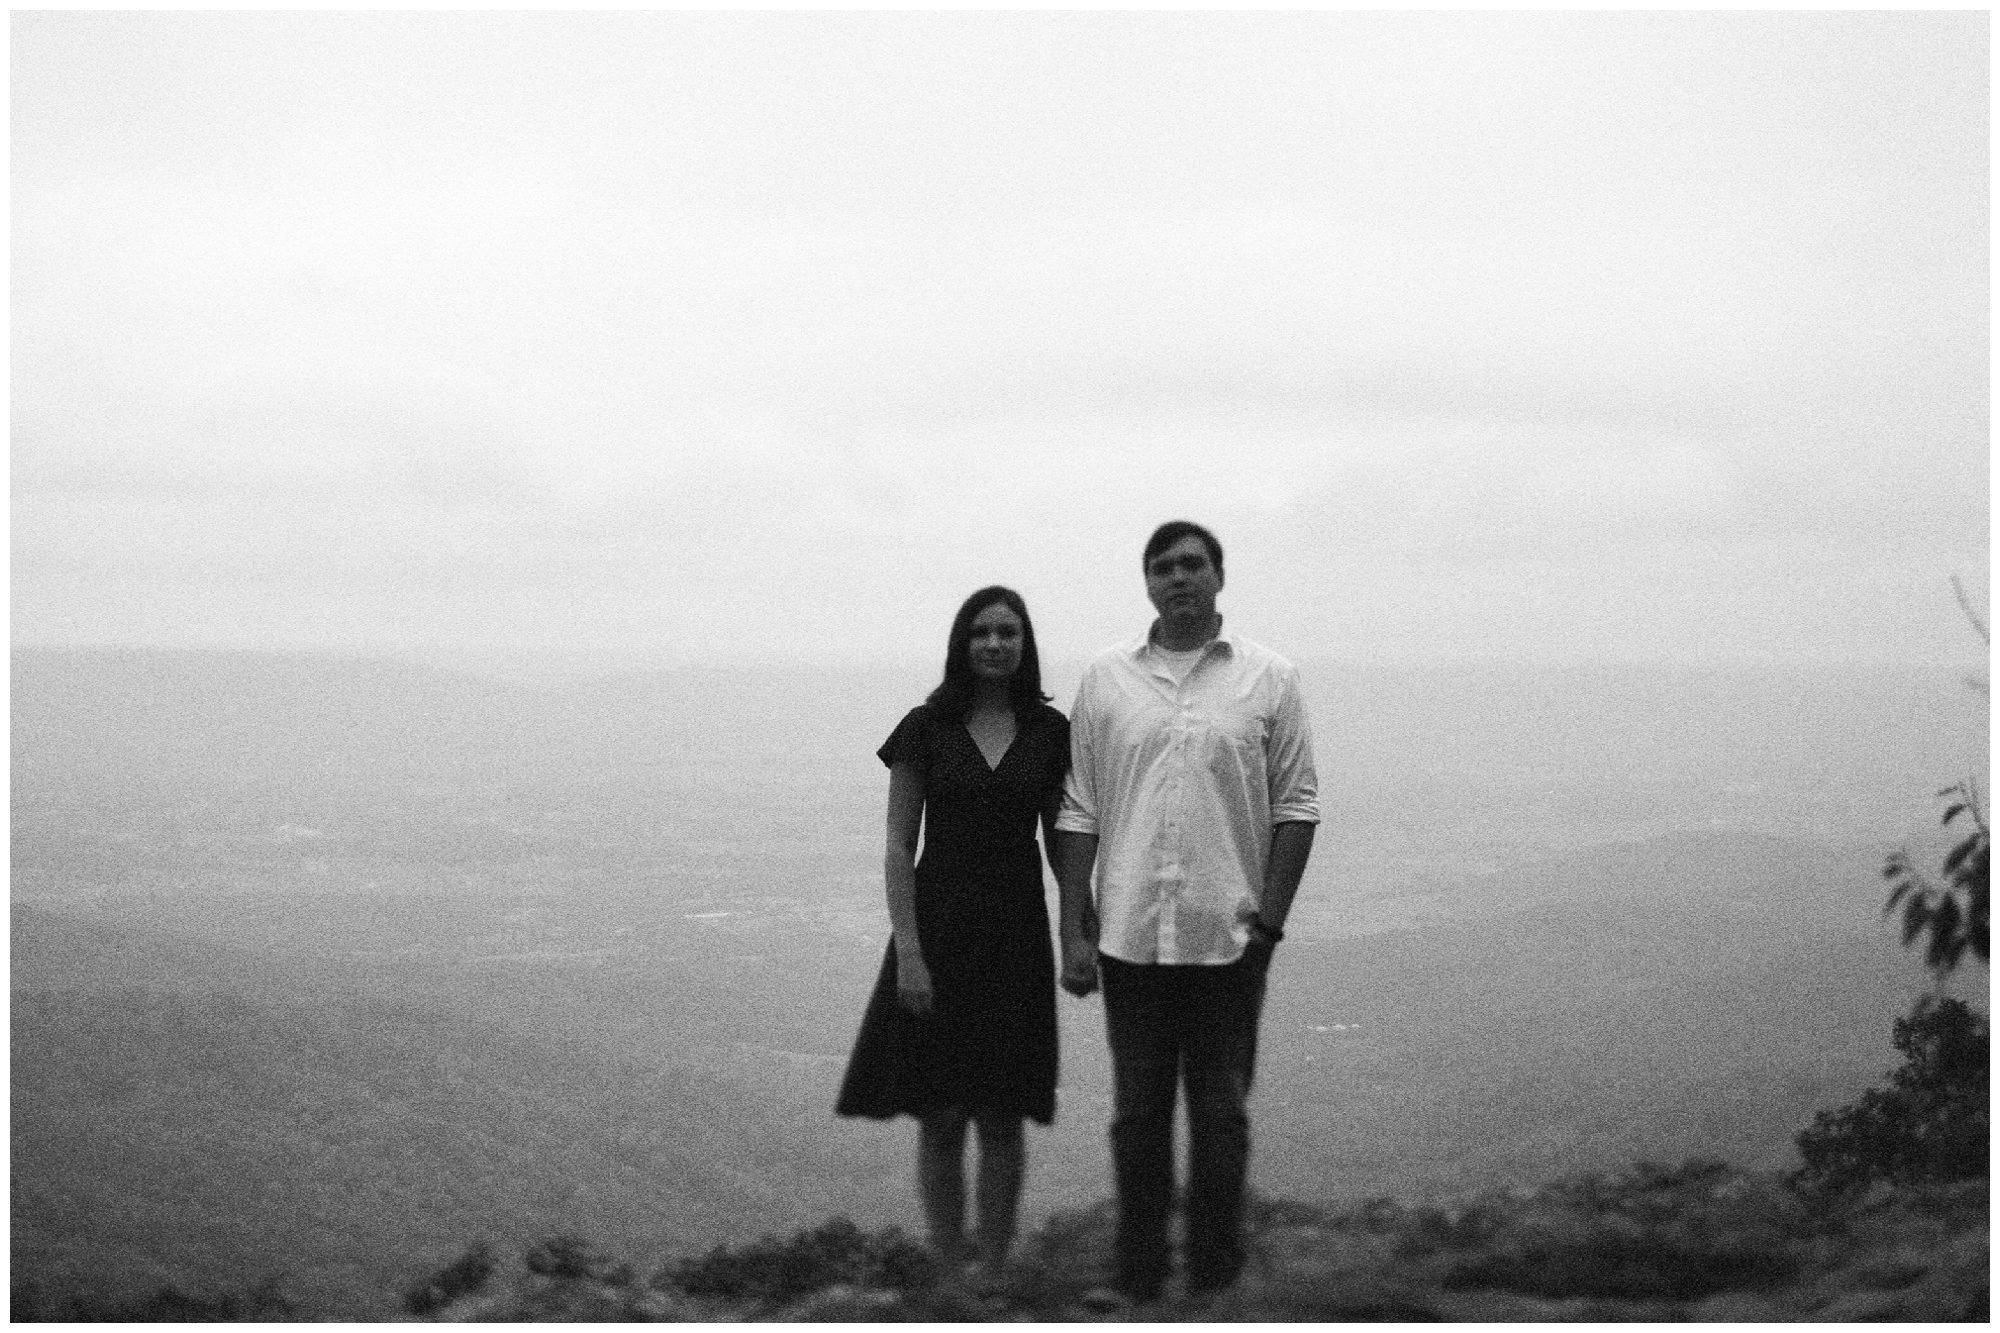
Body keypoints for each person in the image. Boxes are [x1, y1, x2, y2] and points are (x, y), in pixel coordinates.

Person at [1052, 520, 1319, 1304]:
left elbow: (1297, 807)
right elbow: (1080, 811)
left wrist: (1267, 927)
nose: (1178, 577)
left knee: (1220, 1117)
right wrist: (1074, 927)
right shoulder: (1106, 678)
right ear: (1146, 582)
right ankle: (1139, 1284)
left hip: (1227, 939)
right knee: (1137, 1118)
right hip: (1131, 938)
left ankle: (1214, 1282)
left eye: (1192, 564)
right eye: (1163, 566)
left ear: (1219, 577)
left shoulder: (1270, 678)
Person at [835, 585, 1070, 1279]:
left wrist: (1079, 927)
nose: (995, 643)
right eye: (981, 631)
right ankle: (948, 1279)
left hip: (1017, 935)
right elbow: (897, 844)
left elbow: (1062, 842)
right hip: (935, 931)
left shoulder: (1050, 732)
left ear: (1025, 645)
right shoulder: (925, 727)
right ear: (961, 643)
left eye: (1008, 631)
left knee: (1002, 1113)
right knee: (940, 1112)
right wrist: (908, 951)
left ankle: (992, 1277)